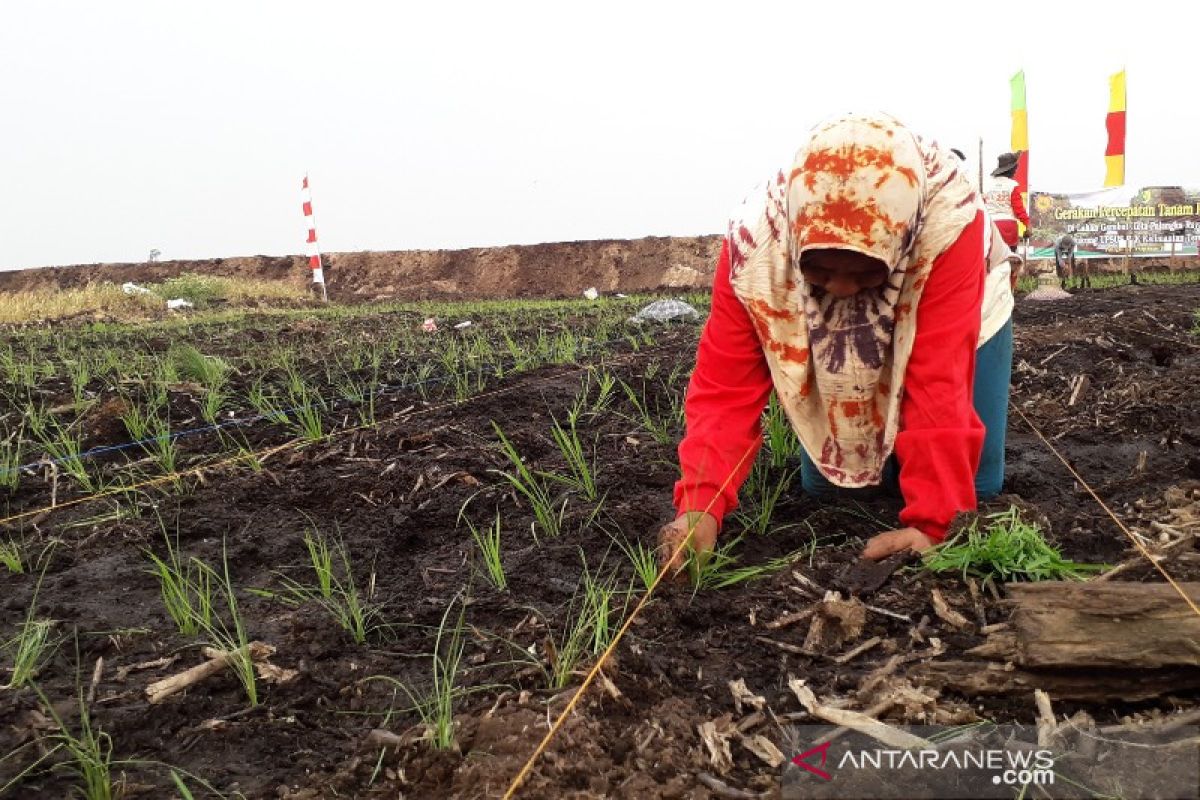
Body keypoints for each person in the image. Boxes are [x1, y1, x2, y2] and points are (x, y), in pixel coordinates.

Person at [657, 114, 1015, 573]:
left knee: (978, 487)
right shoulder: (755, 248)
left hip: (963, 312)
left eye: (863, 272)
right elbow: (726, 390)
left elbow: (937, 377)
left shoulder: (948, 223)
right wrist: (699, 509)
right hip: (820, 325)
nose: (843, 289)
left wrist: (936, 523)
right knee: (830, 491)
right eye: (822, 272)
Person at [983, 152, 1030, 250]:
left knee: (990, 260)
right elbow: (1019, 210)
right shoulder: (1012, 185)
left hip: (991, 225)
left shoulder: (987, 184)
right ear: (1012, 170)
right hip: (1009, 226)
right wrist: (1028, 225)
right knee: (1010, 259)